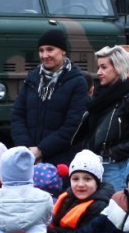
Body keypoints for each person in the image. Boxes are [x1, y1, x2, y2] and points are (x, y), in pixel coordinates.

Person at [10, 28, 89, 169]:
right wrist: (28, 150)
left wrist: (41, 150)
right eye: (41, 50)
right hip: (29, 160)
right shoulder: (32, 79)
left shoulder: (77, 82)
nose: (45, 55)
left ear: (63, 51)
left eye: (50, 49)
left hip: (61, 163)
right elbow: (17, 115)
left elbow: (74, 126)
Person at [81, 45, 129, 191]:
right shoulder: (100, 97)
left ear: (118, 68)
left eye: (104, 67)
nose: (99, 72)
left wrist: (114, 152)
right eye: (99, 67)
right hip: (95, 165)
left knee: (114, 210)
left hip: (117, 167)